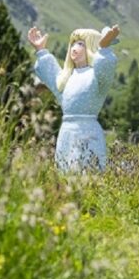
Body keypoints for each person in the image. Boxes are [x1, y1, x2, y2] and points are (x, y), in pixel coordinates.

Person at [28, 24, 121, 172]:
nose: (74, 47)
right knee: (65, 172)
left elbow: (105, 69)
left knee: (90, 172)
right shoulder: (65, 79)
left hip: (88, 131)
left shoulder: (96, 78)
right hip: (66, 133)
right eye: (73, 43)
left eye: (80, 43)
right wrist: (41, 51)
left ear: (91, 47)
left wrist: (104, 49)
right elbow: (51, 75)